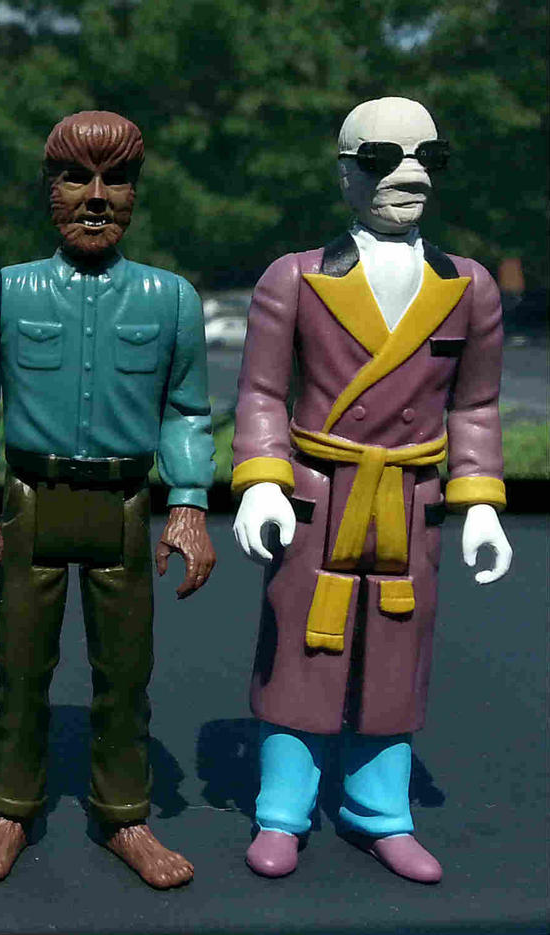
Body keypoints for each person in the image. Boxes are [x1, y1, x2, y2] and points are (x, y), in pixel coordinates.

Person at [231, 96, 512, 884]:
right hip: (318, 495)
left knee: (396, 652)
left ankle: (380, 810)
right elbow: (261, 394)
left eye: (430, 158)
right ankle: (282, 809)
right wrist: (261, 480)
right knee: (299, 646)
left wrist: (480, 502)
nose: (410, 176)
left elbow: (476, 407)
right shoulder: (295, 278)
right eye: (385, 158)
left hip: (410, 500)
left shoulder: (469, 286)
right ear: (347, 173)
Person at [0, 111, 215, 890]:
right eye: (76, 177)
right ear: (49, 188)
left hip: (124, 506)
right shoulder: (2, 292)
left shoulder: (171, 300)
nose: (96, 197)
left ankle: (125, 813)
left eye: (116, 179)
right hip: (30, 503)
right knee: (20, 667)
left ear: (135, 192)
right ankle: (10, 807)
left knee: (126, 672)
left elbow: (187, 411)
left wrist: (189, 505)